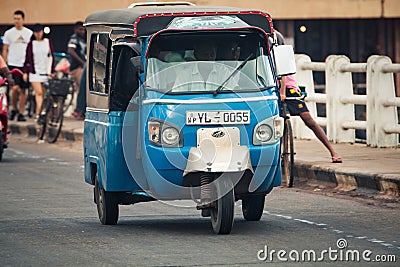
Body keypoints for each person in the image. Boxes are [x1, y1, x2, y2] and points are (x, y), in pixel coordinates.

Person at [276, 31, 342, 163]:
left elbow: (283, 75)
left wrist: (282, 92)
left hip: (288, 89)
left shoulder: (281, 54)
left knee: (308, 119)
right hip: (273, 89)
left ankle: (333, 152)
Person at [2, 10, 33, 122]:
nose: (16, 21)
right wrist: (4, 65)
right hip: (12, 64)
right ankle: (14, 108)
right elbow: (5, 49)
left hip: (24, 65)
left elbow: (31, 50)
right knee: (14, 88)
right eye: (15, 18)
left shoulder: (29, 33)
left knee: (24, 90)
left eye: (18, 19)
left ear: (23, 20)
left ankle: (21, 112)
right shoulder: (9, 33)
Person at [173, 41, 238, 91]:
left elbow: (234, 93)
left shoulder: (223, 71)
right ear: (197, 55)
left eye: (212, 54)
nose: (209, 58)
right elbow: (177, 98)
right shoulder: (185, 74)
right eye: (205, 54)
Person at [22, 23, 55, 120]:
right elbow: (27, 59)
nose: (38, 34)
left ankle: (42, 113)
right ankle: (38, 114)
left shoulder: (47, 42)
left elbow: (51, 57)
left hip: (46, 72)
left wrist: (51, 71)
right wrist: (25, 72)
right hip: (34, 73)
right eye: (36, 32)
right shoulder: (31, 44)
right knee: (39, 93)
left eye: (40, 32)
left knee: (45, 95)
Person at [67, 21, 86, 119]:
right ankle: (79, 111)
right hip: (77, 67)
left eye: (83, 29)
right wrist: (82, 63)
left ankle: (78, 110)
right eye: (80, 29)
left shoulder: (82, 40)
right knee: (81, 89)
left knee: (79, 90)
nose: (82, 31)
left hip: (79, 66)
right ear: (75, 29)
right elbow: (70, 51)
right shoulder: (74, 38)